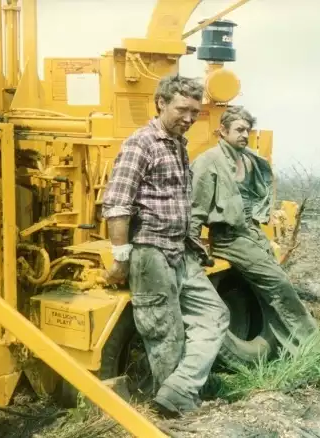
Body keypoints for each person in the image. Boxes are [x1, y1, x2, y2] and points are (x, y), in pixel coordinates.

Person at [101, 75, 229, 417]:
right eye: (183, 110)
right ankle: (174, 411)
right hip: (150, 252)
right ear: (161, 103)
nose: (189, 118)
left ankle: (178, 390)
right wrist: (121, 256)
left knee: (214, 315)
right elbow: (117, 203)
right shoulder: (140, 143)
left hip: (179, 250)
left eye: (195, 112)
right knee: (165, 334)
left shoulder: (177, 145)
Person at [189, 106, 318, 358]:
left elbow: (261, 193)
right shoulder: (209, 162)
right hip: (229, 238)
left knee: (274, 286)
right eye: (238, 129)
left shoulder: (249, 159)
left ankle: (286, 348)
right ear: (222, 131)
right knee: (278, 283)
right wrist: (192, 248)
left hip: (252, 233)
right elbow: (195, 206)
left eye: (247, 130)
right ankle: (311, 345)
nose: (244, 134)